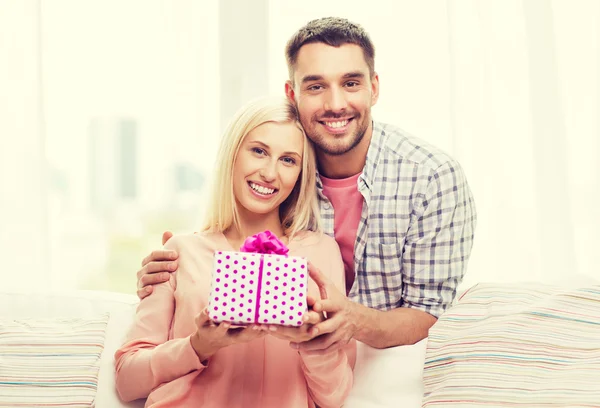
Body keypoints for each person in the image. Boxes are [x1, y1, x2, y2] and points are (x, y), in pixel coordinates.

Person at [136, 17, 477, 353]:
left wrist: (352, 320)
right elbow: (236, 244)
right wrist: (171, 277)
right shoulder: (280, 168)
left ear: (374, 88)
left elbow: (430, 313)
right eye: (316, 86)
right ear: (292, 93)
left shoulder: (433, 177)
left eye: (351, 83)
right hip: (294, 370)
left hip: (384, 369)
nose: (335, 104)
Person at [115, 96, 354, 408]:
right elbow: (126, 380)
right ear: (233, 154)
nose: (270, 173)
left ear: (300, 174)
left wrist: (312, 343)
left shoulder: (320, 253)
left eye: (288, 160)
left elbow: (333, 398)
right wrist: (197, 346)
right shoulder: (181, 252)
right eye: (258, 151)